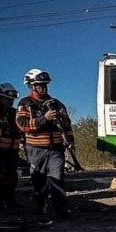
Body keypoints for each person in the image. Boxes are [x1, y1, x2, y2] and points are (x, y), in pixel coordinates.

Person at [15, 68, 74, 218]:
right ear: (31, 86)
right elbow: (22, 124)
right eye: (40, 85)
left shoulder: (57, 103)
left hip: (56, 149)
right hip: (35, 149)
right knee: (39, 181)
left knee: (58, 178)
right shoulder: (25, 104)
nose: (44, 87)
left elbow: (67, 126)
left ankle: (61, 210)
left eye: (45, 84)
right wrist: (44, 119)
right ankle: (40, 205)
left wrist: (70, 140)